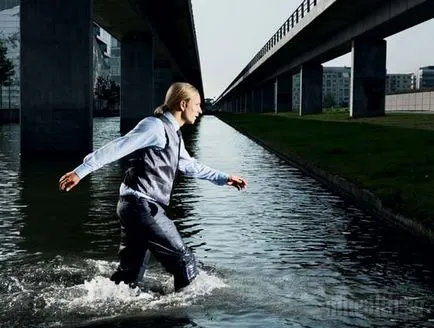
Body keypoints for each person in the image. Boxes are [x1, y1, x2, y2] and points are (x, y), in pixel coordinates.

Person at [59, 82, 247, 292]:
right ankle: (180, 318)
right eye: (198, 104)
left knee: (127, 280)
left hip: (135, 207)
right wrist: (81, 171)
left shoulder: (173, 133)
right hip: (142, 207)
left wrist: (223, 177)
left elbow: (188, 165)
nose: (201, 110)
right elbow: (118, 147)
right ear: (183, 104)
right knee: (185, 262)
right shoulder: (155, 127)